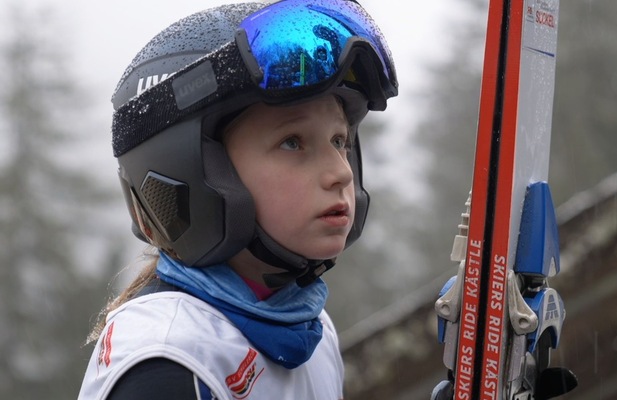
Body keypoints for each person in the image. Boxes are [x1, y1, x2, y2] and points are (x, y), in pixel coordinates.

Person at [78, 1, 398, 399]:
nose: (342, 172)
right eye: (293, 142)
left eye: (339, 141)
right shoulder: (169, 367)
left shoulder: (304, 326)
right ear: (193, 173)